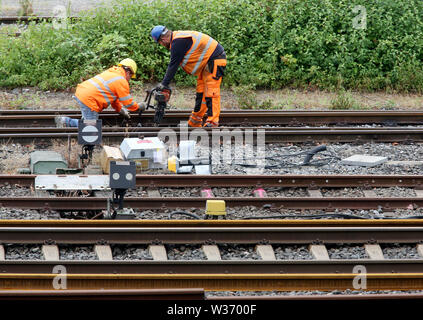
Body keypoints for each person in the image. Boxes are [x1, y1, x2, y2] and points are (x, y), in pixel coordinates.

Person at [151, 26, 227, 127]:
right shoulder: (177, 39)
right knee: (201, 94)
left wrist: (164, 84)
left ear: (162, 39)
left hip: (215, 59)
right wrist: (164, 84)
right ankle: (194, 122)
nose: (162, 45)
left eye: (160, 43)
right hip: (206, 63)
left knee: (211, 92)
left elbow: (173, 65)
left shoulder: (178, 42)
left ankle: (212, 122)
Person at [55, 58, 144, 127]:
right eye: (131, 76)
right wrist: (138, 106)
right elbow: (128, 103)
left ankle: (71, 121)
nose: (130, 79)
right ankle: (65, 121)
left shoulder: (112, 73)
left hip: (84, 93)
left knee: (88, 119)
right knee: (91, 127)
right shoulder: (121, 80)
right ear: (128, 72)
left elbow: (114, 99)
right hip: (89, 100)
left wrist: (120, 110)